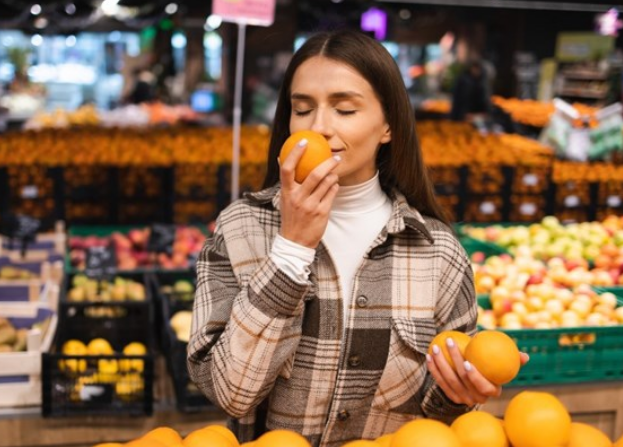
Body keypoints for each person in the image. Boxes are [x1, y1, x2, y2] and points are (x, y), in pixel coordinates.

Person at [188, 30, 527, 447]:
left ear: (387, 126)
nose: (318, 127)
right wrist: (291, 249)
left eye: (344, 109)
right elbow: (229, 393)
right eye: (302, 109)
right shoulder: (241, 229)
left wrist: (460, 393)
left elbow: (434, 416)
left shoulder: (437, 252)